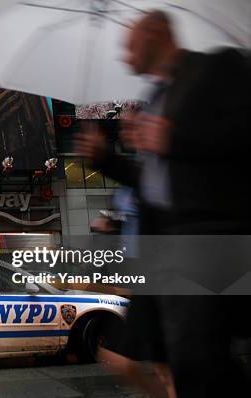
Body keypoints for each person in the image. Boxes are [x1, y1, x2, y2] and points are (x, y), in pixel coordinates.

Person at [76, 10, 251, 398]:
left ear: (156, 33)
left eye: (130, 44)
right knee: (165, 360)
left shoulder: (217, 68)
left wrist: (178, 138)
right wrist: (107, 160)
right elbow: (156, 183)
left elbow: (240, 136)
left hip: (208, 240)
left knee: (196, 361)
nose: (124, 56)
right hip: (166, 249)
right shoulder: (155, 97)